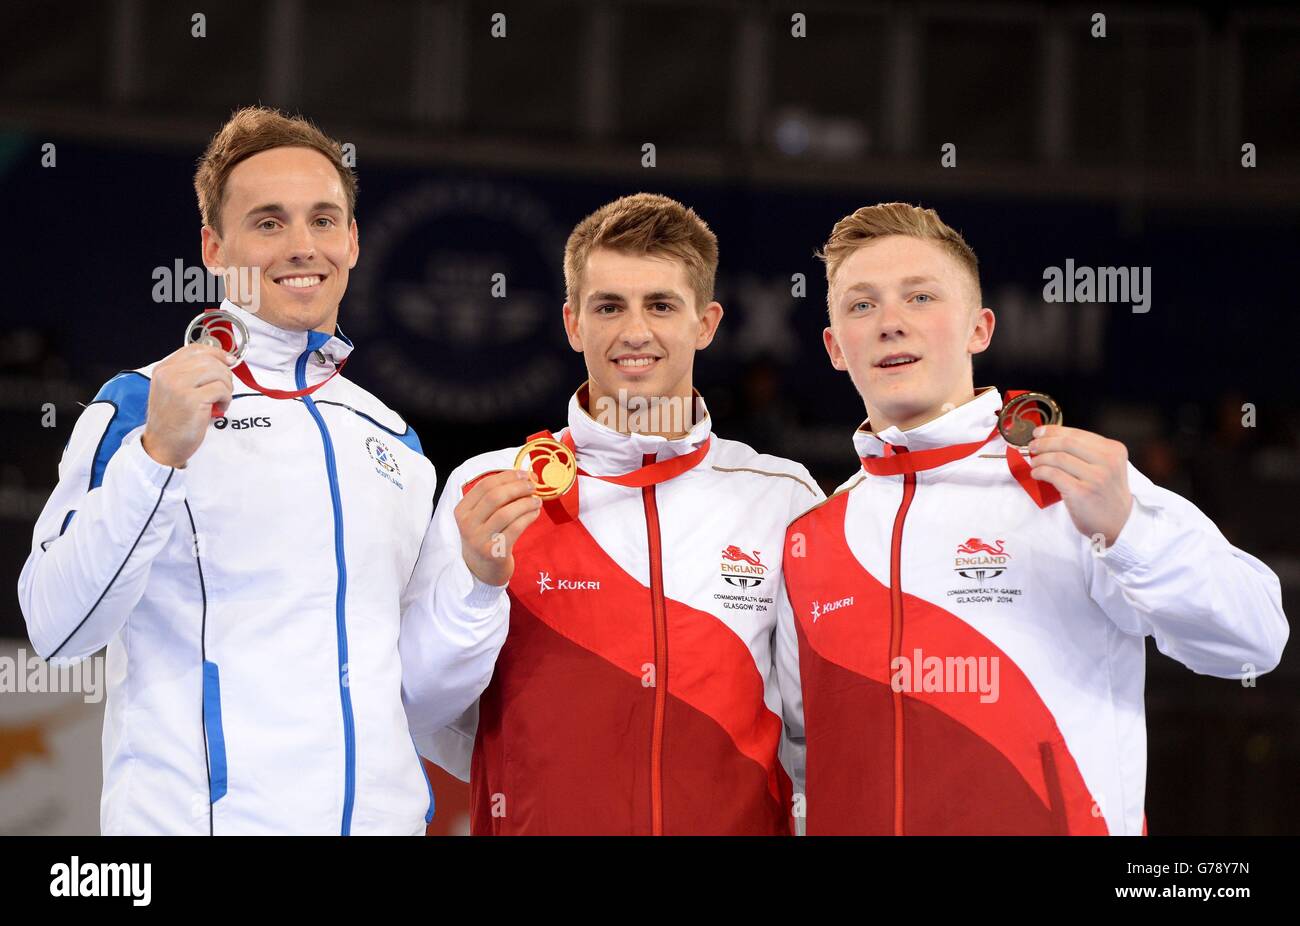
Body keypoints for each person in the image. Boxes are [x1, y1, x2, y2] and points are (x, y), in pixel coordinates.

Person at [17, 106, 500, 835]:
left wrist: (477, 585)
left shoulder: (394, 442)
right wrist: (157, 459)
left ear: (355, 241)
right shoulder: (142, 404)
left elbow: (416, 694)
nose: (302, 246)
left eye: (323, 220)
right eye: (268, 223)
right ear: (214, 248)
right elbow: (57, 629)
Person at [777, 202, 1289, 835]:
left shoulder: (1072, 483)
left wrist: (1128, 529)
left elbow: (1256, 640)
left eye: (921, 298)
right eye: (861, 305)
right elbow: (803, 761)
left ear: (979, 329)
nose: (890, 324)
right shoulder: (811, 539)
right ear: (833, 347)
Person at [419, 193, 822, 834]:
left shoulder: (781, 496)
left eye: (661, 304)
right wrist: (476, 590)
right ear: (573, 323)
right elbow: (422, 707)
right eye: (609, 306)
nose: (635, 331)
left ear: (706, 323)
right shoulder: (490, 485)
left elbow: (812, 735)